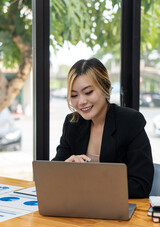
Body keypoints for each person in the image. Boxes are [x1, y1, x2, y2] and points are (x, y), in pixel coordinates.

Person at [52, 58, 154, 198]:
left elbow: (141, 185)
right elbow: (50, 173)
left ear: (105, 87)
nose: (81, 102)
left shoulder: (130, 121)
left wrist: (89, 181)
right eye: (74, 95)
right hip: (79, 207)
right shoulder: (72, 123)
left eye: (88, 92)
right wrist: (65, 167)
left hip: (116, 211)